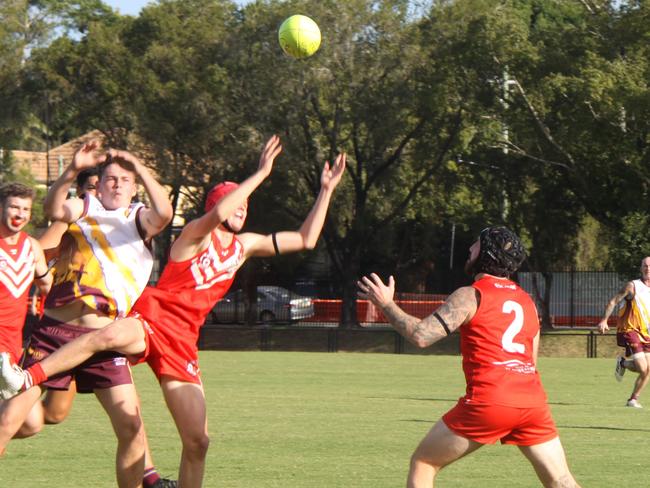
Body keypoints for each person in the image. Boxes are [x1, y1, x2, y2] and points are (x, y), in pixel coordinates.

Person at [0, 135, 346, 488]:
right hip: (153, 317)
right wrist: (260, 174)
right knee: (107, 335)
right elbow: (219, 213)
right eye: (237, 202)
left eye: (245, 206)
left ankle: (152, 475)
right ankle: (27, 377)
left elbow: (306, 239)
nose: (242, 208)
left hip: (183, 338)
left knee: (197, 441)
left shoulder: (244, 247)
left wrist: (326, 190)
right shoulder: (196, 234)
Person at [0, 141, 173, 488]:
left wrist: (139, 166)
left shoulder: (138, 217)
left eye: (125, 179)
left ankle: (146, 478)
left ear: (134, 185)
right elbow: (54, 208)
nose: (117, 184)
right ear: (99, 183)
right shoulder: (85, 206)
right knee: (9, 422)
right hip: (53, 333)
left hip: (102, 342)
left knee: (131, 428)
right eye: (110, 178)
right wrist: (71, 171)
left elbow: (166, 214)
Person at [357, 226, 581, 488]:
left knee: (424, 462)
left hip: (490, 400)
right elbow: (530, 361)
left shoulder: (471, 294)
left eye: (475, 244)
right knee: (561, 479)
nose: (469, 249)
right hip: (532, 402)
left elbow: (421, 335)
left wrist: (386, 304)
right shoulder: (527, 302)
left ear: (486, 253)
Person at [33, 167, 99, 425]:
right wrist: (45, 281)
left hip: (92, 329)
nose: (98, 192)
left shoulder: (113, 224)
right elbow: (36, 252)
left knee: (55, 413)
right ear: (81, 192)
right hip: (59, 325)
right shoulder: (72, 220)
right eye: (92, 187)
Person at [0, 182, 52, 430]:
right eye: (13, 207)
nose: (19, 214)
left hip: (15, 350)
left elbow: (48, 287)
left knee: (31, 423)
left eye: (25, 209)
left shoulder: (32, 247)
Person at [597, 257, 650, 408]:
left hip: (646, 333)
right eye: (645, 266)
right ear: (641, 268)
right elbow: (613, 301)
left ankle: (633, 399)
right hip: (630, 330)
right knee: (642, 367)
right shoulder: (632, 286)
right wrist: (604, 320)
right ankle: (625, 364)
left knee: (648, 370)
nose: (648, 268)